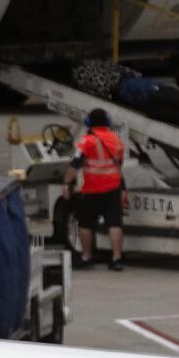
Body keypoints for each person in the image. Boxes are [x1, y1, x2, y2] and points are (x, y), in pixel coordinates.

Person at [66, 109, 127, 269]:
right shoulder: (116, 140)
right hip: (113, 188)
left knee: (85, 223)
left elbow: (75, 165)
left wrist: (66, 183)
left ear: (89, 123)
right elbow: (119, 162)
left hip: (91, 190)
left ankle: (86, 257)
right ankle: (117, 258)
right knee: (114, 222)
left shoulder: (86, 141)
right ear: (107, 123)